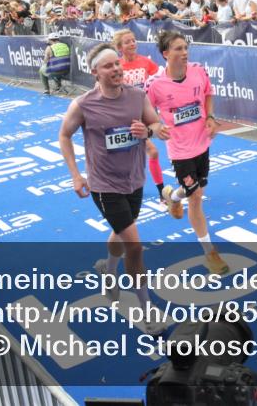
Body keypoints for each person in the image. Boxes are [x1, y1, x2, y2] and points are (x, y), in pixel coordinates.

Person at [58, 43, 169, 333]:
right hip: (103, 185)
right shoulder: (83, 104)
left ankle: (108, 270)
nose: (116, 69)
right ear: (95, 72)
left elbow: (154, 123)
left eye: (117, 64)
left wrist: (149, 132)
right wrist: (75, 175)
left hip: (134, 179)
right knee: (134, 245)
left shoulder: (137, 96)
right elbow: (64, 136)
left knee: (120, 235)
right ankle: (147, 310)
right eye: (108, 66)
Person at [146, 31, 229, 275]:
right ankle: (210, 253)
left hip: (203, 143)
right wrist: (155, 126)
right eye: (178, 49)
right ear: (165, 54)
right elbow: (144, 113)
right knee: (196, 197)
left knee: (198, 188)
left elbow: (207, 94)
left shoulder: (198, 70)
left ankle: (172, 197)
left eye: (185, 48)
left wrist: (211, 117)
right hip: (180, 150)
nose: (184, 53)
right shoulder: (155, 84)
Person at [112, 29, 169, 200]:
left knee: (151, 152)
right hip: (124, 117)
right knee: (143, 152)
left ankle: (160, 193)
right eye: (128, 41)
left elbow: (160, 82)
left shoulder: (146, 62)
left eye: (134, 40)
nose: (133, 44)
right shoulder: (117, 65)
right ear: (119, 47)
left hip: (144, 115)